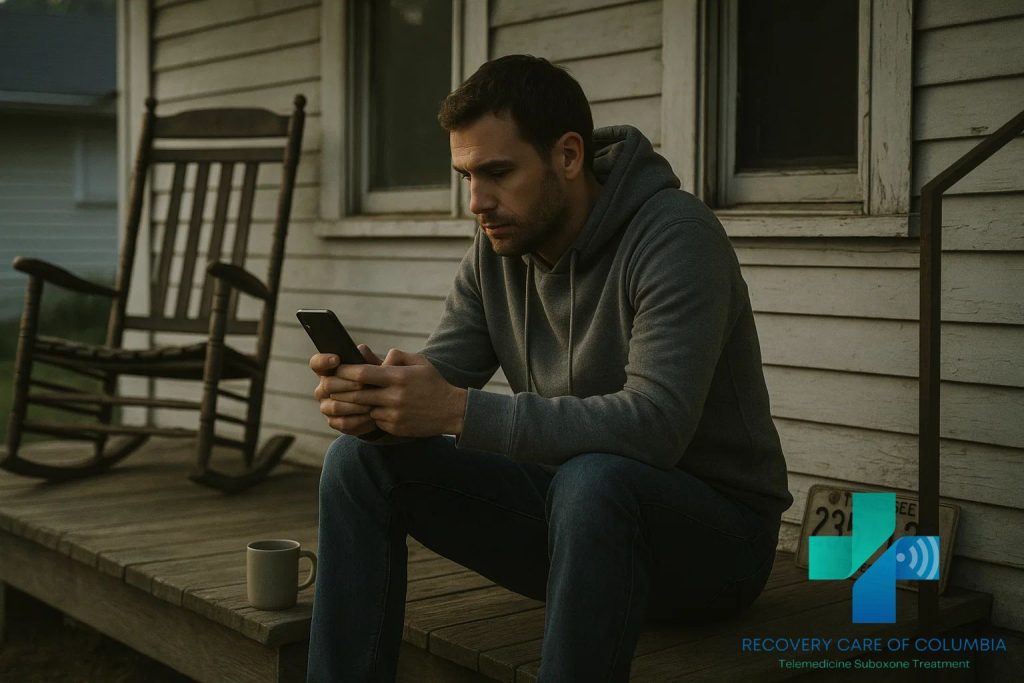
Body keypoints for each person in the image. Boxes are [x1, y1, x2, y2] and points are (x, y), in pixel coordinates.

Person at [305, 54, 793, 682]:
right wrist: (380, 400)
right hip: (575, 530)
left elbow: (656, 426)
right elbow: (442, 376)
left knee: (596, 480)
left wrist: (453, 410)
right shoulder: (498, 247)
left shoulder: (676, 235)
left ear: (567, 156)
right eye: (466, 177)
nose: (478, 202)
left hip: (713, 547)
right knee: (358, 462)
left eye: (498, 172)